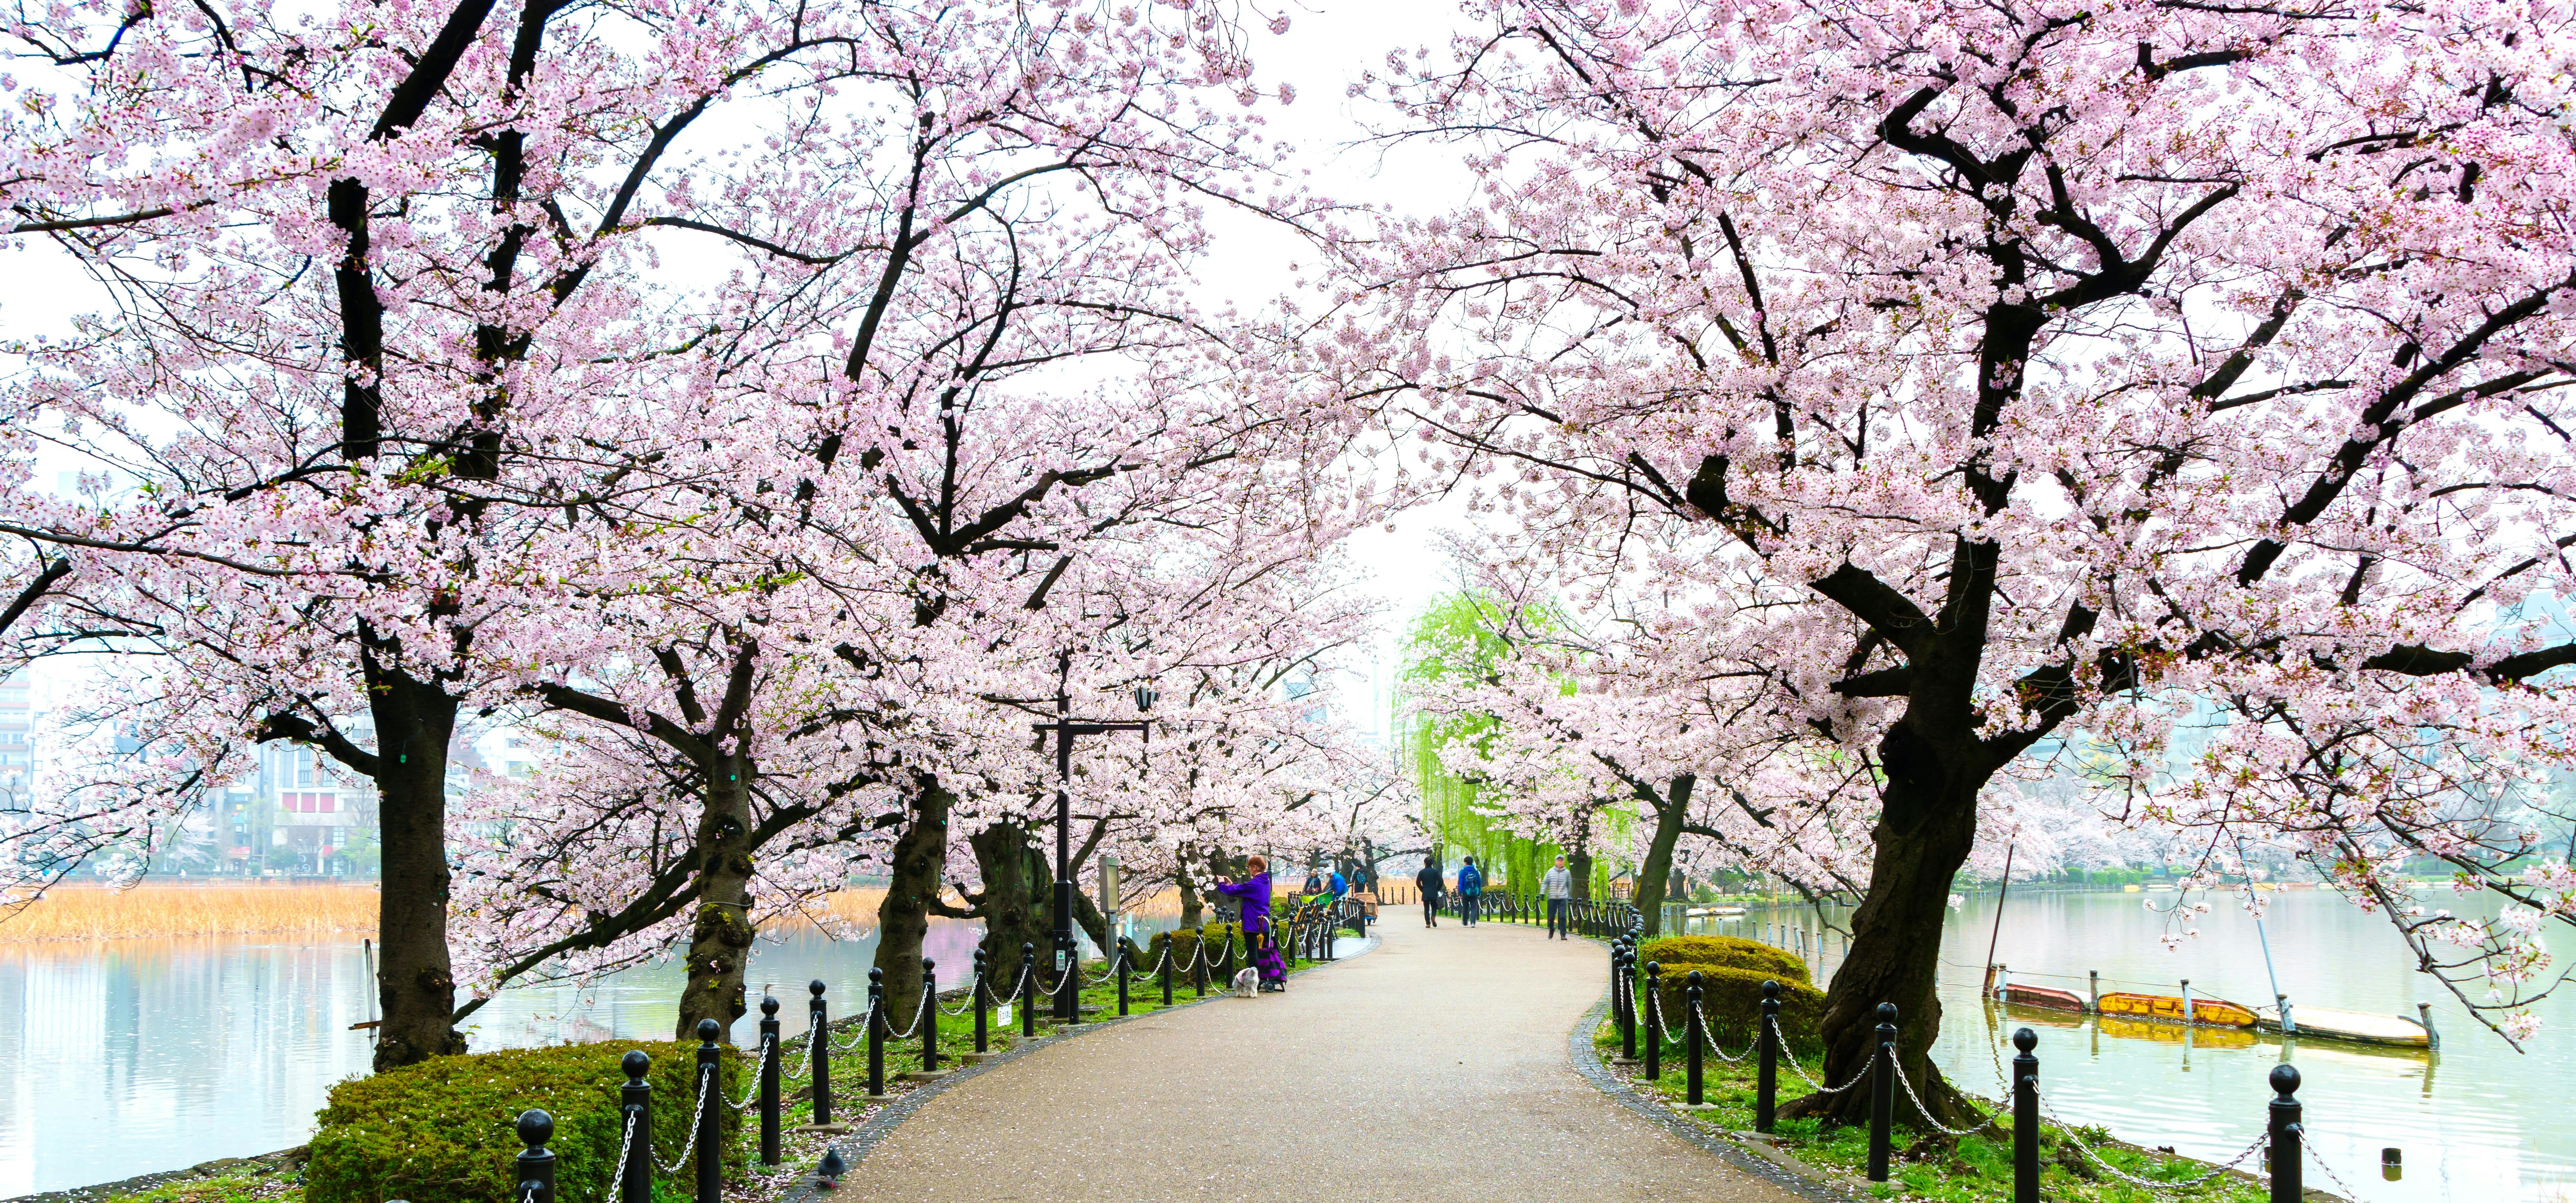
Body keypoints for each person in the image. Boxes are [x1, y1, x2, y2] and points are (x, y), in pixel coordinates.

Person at [1208, 854, 1286, 992]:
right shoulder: (1265, 882)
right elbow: (1243, 889)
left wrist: (1222, 884)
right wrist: (1232, 885)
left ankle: (1254, 981)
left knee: (1252, 953)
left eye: (1250, 867)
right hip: (1264, 922)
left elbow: (1235, 891)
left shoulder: (1254, 883)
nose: (1249, 870)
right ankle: (1261, 978)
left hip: (1253, 923)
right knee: (1261, 952)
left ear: (1255, 867)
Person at [1542, 855, 1574, 939]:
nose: (1560, 862)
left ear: (1563, 862)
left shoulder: (1567, 873)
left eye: (1561, 860)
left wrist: (1569, 895)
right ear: (1556, 861)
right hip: (1552, 897)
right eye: (1558, 860)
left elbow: (1569, 884)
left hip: (1563, 897)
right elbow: (1545, 883)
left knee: (1563, 916)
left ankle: (1563, 934)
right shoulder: (1550, 872)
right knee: (1551, 917)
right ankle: (1551, 929)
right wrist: (1542, 893)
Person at [1414, 859, 1444, 928]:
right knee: (1434, 906)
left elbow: (1418, 883)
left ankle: (1428, 923)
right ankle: (1433, 916)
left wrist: (1422, 889)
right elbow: (1441, 881)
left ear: (1425, 863)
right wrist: (1437, 889)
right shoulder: (1435, 872)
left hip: (1426, 891)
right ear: (1432, 864)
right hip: (1434, 891)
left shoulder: (1422, 872)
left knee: (1426, 908)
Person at [1457, 856, 1485, 926]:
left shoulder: (1463, 871)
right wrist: (1479, 892)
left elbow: (1461, 882)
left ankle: (1465, 923)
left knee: (1465, 907)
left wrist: (1460, 893)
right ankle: (1473, 923)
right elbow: (1479, 882)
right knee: (1474, 907)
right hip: (1474, 892)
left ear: (1466, 862)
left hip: (1465, 892)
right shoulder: (1476, 870)